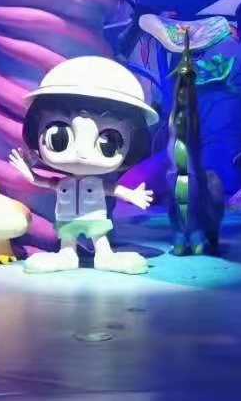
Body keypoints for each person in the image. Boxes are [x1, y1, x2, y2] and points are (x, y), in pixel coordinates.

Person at [9, 55, 159, 275]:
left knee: (100, 239)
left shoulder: (94, 184)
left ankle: (104, 255)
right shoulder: (63, 183)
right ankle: (67, 255)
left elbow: (113, 189)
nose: (81, 153)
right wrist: (27, 171)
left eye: (109, 143)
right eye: (58, 138)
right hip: (67, 219)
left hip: (95, 218)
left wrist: (133, 195)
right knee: (67, 241)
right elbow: (43, 182)